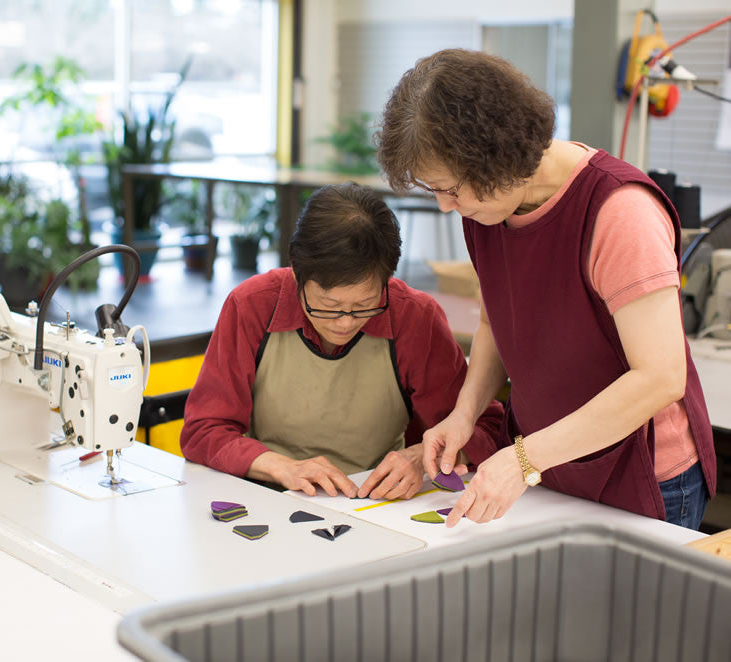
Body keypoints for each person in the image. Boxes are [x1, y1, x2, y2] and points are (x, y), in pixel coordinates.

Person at [376, 49, 716, 530]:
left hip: (642, 472)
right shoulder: (487, 208)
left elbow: (660, 379)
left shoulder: (620, 212)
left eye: (450, 189)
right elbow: (496, 320)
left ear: (497, 159)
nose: (446, 207)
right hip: (551, 461)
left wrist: (523, 459)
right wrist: (464, 415)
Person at [180, 182, 503, 499]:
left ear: (387, 279)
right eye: (328, 306)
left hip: (374, 501)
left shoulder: (414, 317)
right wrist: (281, 467)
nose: (345, 323)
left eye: (364, 305)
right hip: (268, 495)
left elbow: (486, 429)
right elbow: (204, 430)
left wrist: (422, 456)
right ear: (297, 273)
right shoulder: (252, 305)